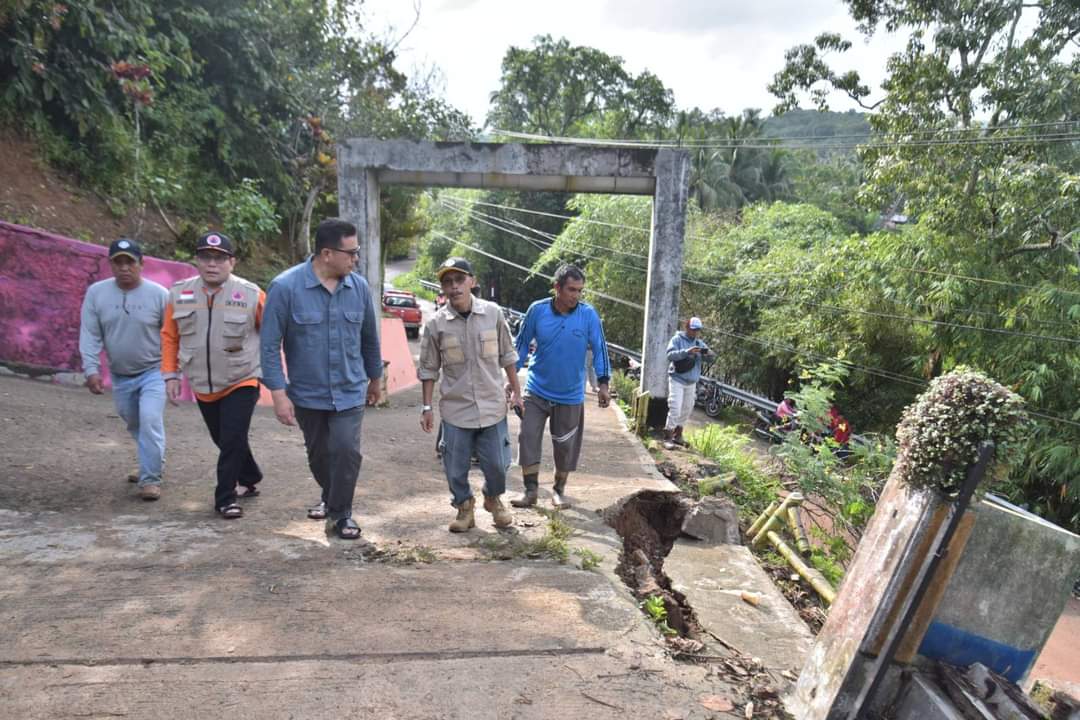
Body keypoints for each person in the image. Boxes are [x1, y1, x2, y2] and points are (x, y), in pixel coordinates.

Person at [260, 218, 382, 540]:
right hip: (307, 394)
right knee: (319, 457)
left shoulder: (359, 288)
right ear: (327, 254)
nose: (356, 259)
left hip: (350, 390)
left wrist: (375, 378)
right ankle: (330, 496)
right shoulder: (285, 288)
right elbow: (269, 346)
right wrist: (278, 394)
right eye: (351, 253)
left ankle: (341, 515)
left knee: (346, 451)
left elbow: (369, 338)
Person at [161, 232, 265, 519]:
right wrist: (170, 374)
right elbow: (170, 336)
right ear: (197, 260)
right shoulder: (178, 293)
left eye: (220, 258)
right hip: (203, 382)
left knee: (231, 438)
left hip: (242, 378)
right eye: (206, 257)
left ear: (232, 262)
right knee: (225, 438)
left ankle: (225, 499)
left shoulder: (251, 294)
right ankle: (250, 475)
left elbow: (271, 333)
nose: (212, 264)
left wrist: (274, 375)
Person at [418, 257, 524, 532]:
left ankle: (492, 498)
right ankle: (464, 507)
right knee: (455, 468)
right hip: (456, 409)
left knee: (498, 465)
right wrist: (427, 407)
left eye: (459, 280)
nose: (454, 287)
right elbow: (429, 368)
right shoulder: (436, 324)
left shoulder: (492, 313)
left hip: (492, 406)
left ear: (472, 282)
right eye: (447, 282)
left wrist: (517, 392)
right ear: (443, 288)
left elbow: (508, 355)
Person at [511, 264, 611, 509]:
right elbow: (520, 346)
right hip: (536, 389)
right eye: (571, 289)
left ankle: (558, 491)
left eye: (579, 290)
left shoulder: (588, 315)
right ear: (557, 287)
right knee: (528, 436)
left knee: (565, 446)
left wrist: (603, 384)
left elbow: (600, 349)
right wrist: (511, 382)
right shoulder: (537, 310)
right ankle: (530, 491)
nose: (576, 295)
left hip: (570, 394)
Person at [79, 238, 169, 500]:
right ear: (110, 265)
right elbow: (90, 333)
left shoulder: (159, 295)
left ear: (141, 264)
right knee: (134, 421)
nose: (124, 268)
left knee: (150, 419)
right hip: (120, 374)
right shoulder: (97, 293)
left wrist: (173, 371)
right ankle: (151, 459)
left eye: (130, 262)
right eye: (118, 262)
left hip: (154, 371)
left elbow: (171, 335)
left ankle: (150, 478)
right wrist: (91, 369)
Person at [663, 317, 710, 450]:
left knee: (687, 408)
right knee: (675, 407)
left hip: (691, 382)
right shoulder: (677, 339)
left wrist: (707, 354)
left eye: (697, 330)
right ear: (687, 327)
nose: (695, 332)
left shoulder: (699, 343)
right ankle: (667, 436)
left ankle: (678, 435)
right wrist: (687, 352)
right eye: (693, 329)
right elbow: (670, 355)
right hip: (677, 379)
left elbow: (712, 358)